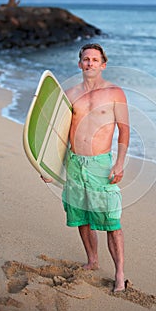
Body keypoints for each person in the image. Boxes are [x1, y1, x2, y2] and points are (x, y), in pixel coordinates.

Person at [42, 43, 129, 292]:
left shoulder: (115, 93)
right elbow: (59, 134)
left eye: (95, 59)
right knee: (81, 215)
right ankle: (92, 260)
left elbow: (124, 130)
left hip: (101, 164)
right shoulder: (69, 95)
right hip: (74, 163)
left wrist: (119, 162)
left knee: (111, 221)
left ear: (103, 64)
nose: (90, 63)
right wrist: (48, 166)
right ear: (80, 64)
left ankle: (119, 273)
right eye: (86, 59)